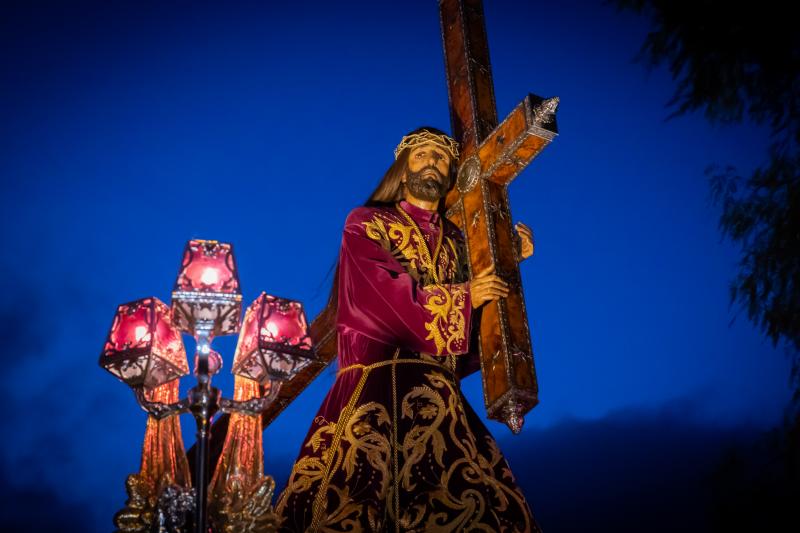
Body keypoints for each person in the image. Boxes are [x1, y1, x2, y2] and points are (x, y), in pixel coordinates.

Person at [276, 127, 541, 532]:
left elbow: (473, 334)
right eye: (422, 155)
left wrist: (508, 261)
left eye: (441, 157)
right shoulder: (367, 223)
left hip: (443, 401)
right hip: (374, 390)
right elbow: (379, 292)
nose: (433, 161)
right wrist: (466, 295)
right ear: (402, 170)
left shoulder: (455, 243)